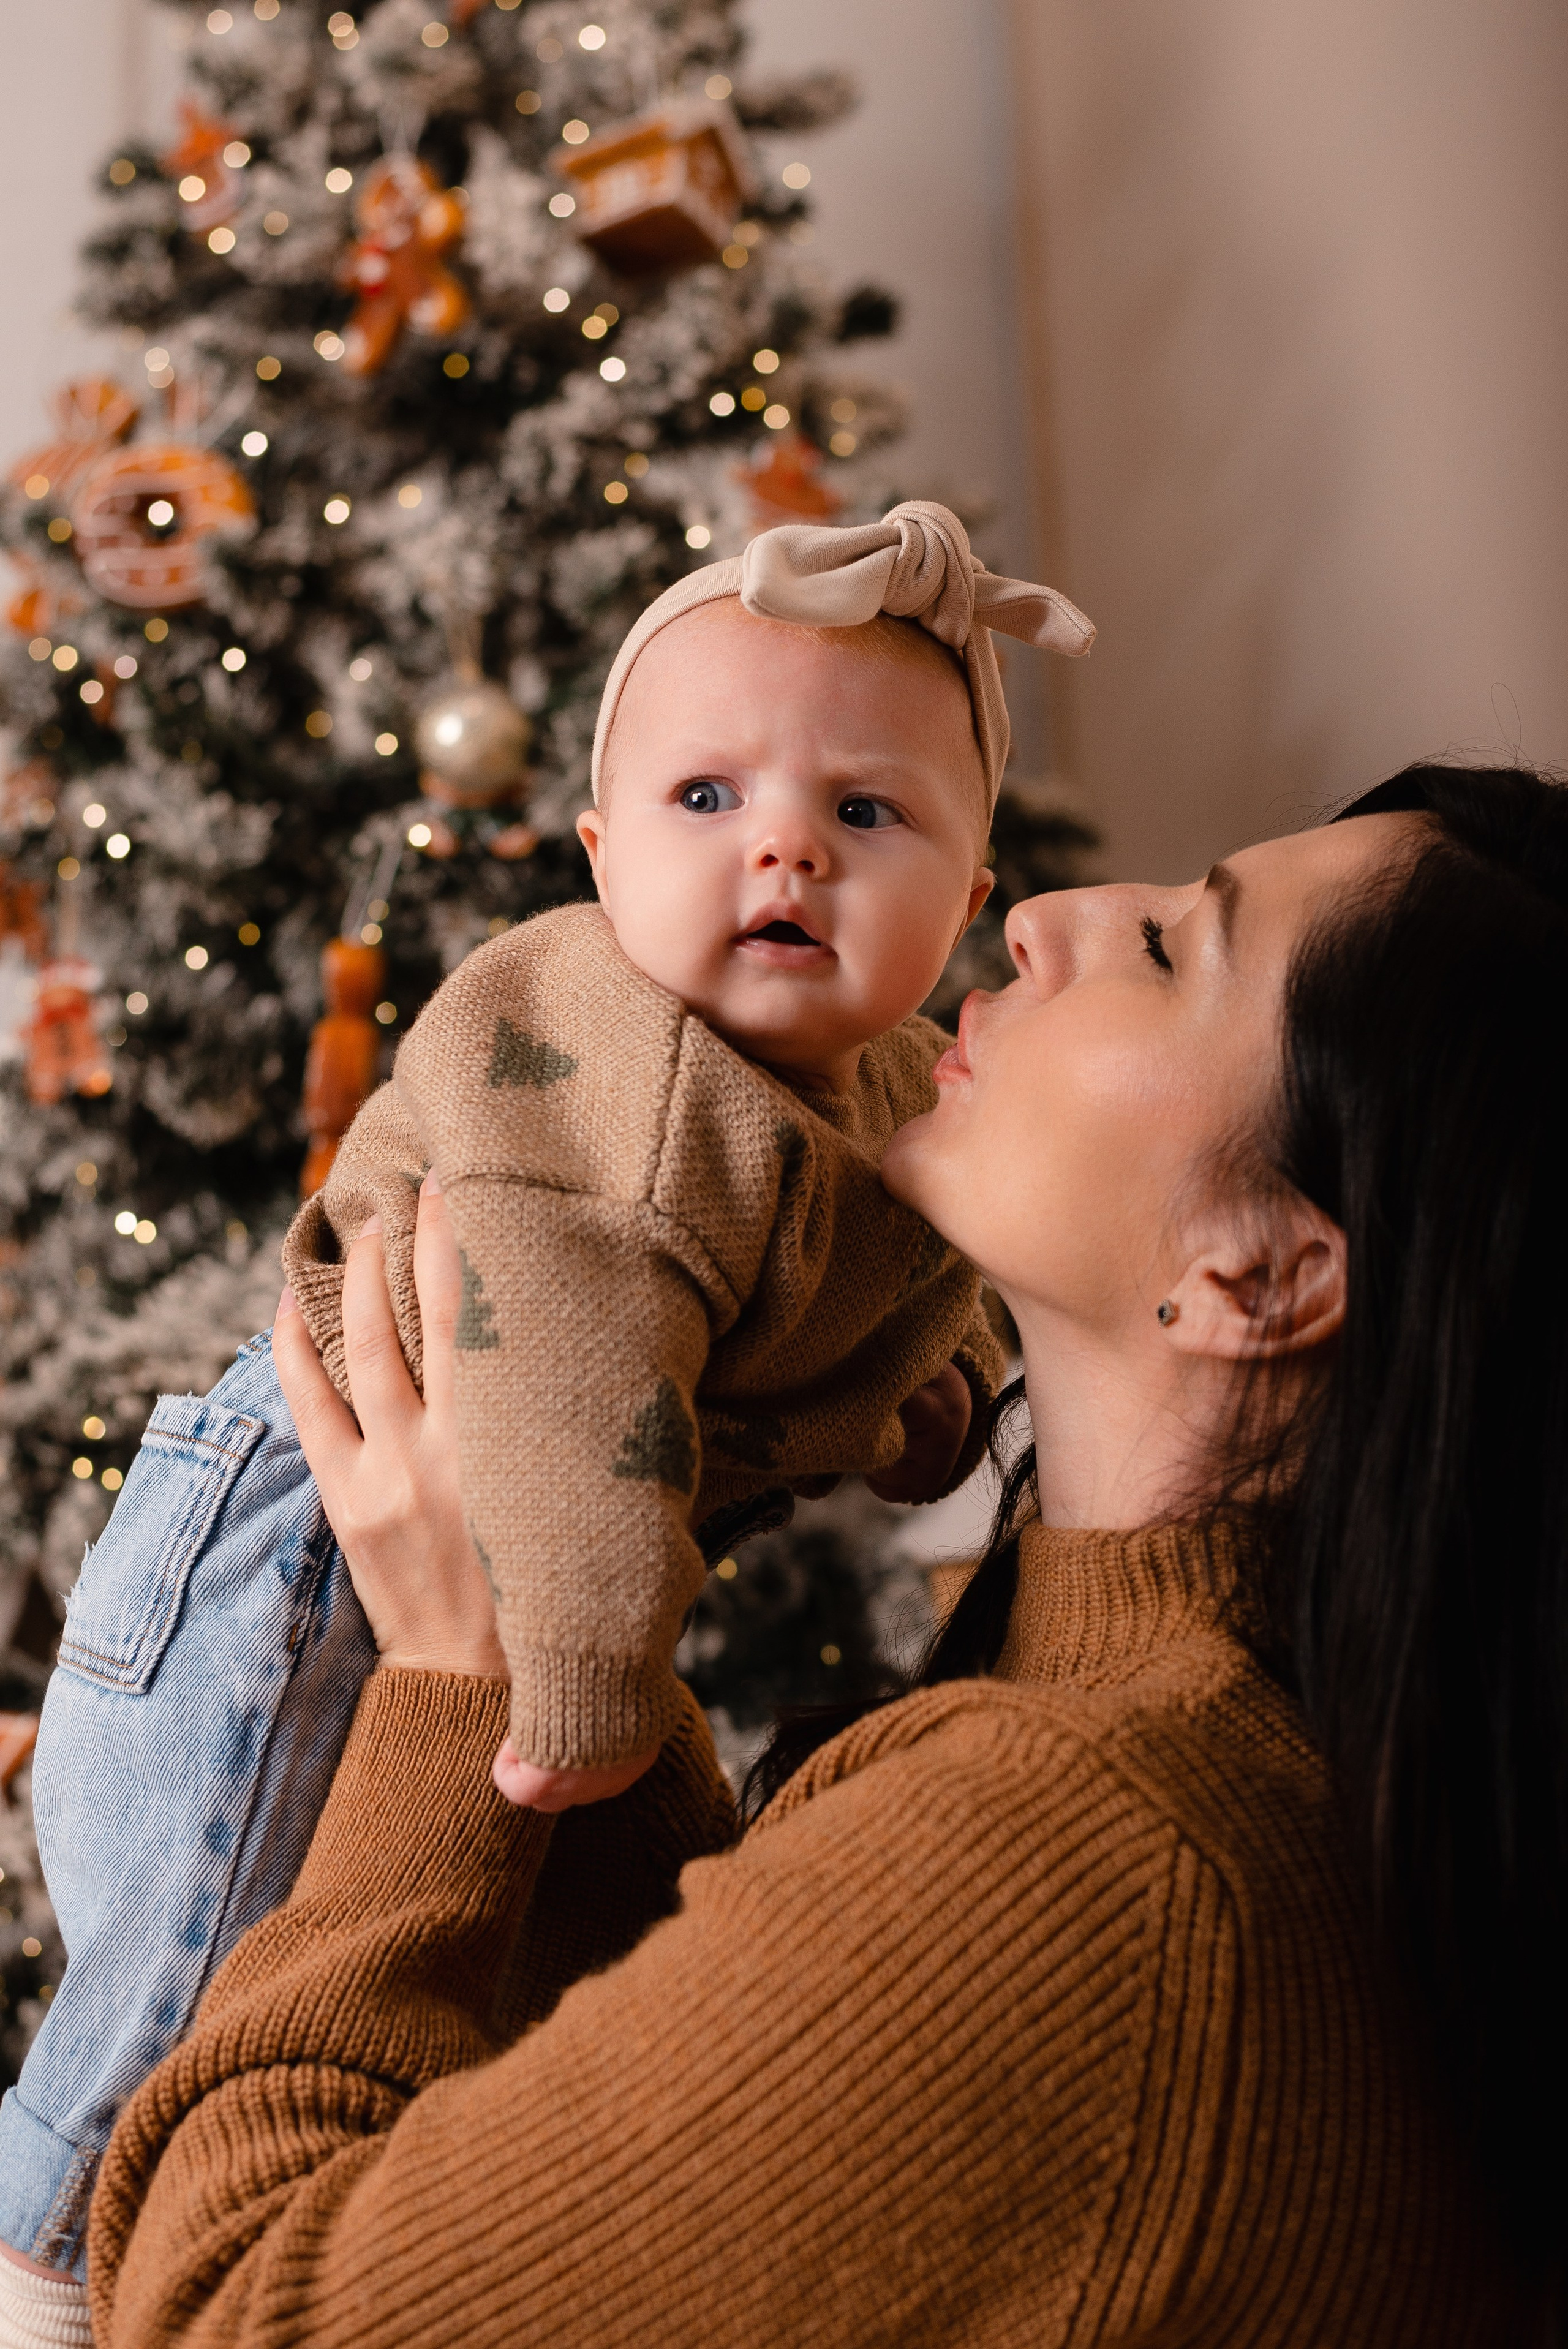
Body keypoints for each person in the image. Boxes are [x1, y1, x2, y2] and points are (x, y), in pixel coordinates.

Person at [9, 760, 1566, 2347]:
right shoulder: (1219, 1771)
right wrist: (568, 1578)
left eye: (1170, 949)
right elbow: (697, 2159)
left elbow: (228, 2321)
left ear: (1267, 1274)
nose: (1042, 920)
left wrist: (455, 1682)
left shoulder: (1104, 1870)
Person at [0, 500, 1094, 2287]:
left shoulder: (887, 1077)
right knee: (202, 1948)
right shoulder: (624, 1075)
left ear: (970, 894)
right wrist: (585, 1676)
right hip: (299, 1541)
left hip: (496, 1539)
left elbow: (920, 1259)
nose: (785, 849)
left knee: (479, 1980)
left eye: (866, 813)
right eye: (706, 797)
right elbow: (569, 1378)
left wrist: (942, 1391)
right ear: (600, 855)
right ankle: (39, 2260)